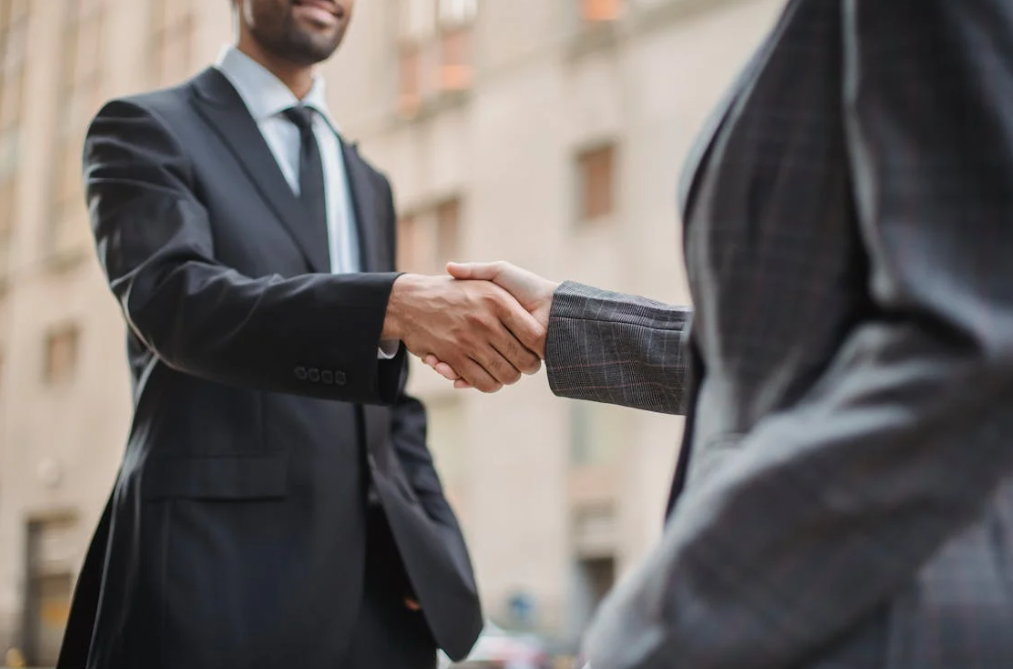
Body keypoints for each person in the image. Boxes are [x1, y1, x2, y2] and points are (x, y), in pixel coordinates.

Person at [429, 0, 1013, 667]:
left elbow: (972, 345)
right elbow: (798, 352)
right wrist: (570, 324)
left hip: (873, 612)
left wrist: (675, 610)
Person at [57, 1, 546, 667]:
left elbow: (389, 396)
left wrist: (431, 541)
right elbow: (177, 303)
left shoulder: (367, 182)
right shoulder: (144, 129)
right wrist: (390, 304)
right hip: (217, 579)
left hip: (376, 596)